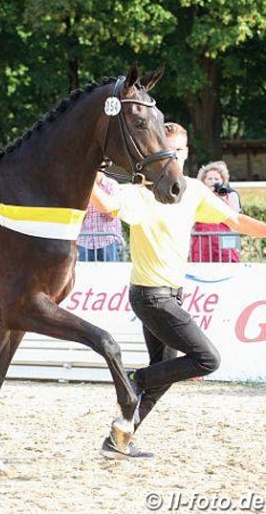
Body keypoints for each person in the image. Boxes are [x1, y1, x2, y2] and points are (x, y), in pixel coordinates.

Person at [90, 122, 266, 459]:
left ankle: (119, 439)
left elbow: (236, 222)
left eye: (181, 150)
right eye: (169, 149)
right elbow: (107, 206)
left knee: (165, 373)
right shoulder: (141, 192)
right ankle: (135, 378)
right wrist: (85, 181)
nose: (175, 155)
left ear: (186, 153)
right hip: (150, 295)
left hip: (171, 294)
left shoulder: (195, 191)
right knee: (207, 359)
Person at [190, 161, 241, 263]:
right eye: (209, 179)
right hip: (202, 238)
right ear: (203, 180)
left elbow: (234, 215)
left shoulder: (228, 195)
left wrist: (221, 196)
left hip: (223, 237)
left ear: (222, 181)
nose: (213, 181)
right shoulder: (196, 195)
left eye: (216, 179)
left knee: (228, 265)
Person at [77, 166, 123, 262]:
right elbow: (77, 215)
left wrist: (96, 197)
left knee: (111, 274)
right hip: (84, 241)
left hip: (108, 241)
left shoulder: (112, 185)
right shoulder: (80, 186)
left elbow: (112, 214)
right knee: (83, 275)